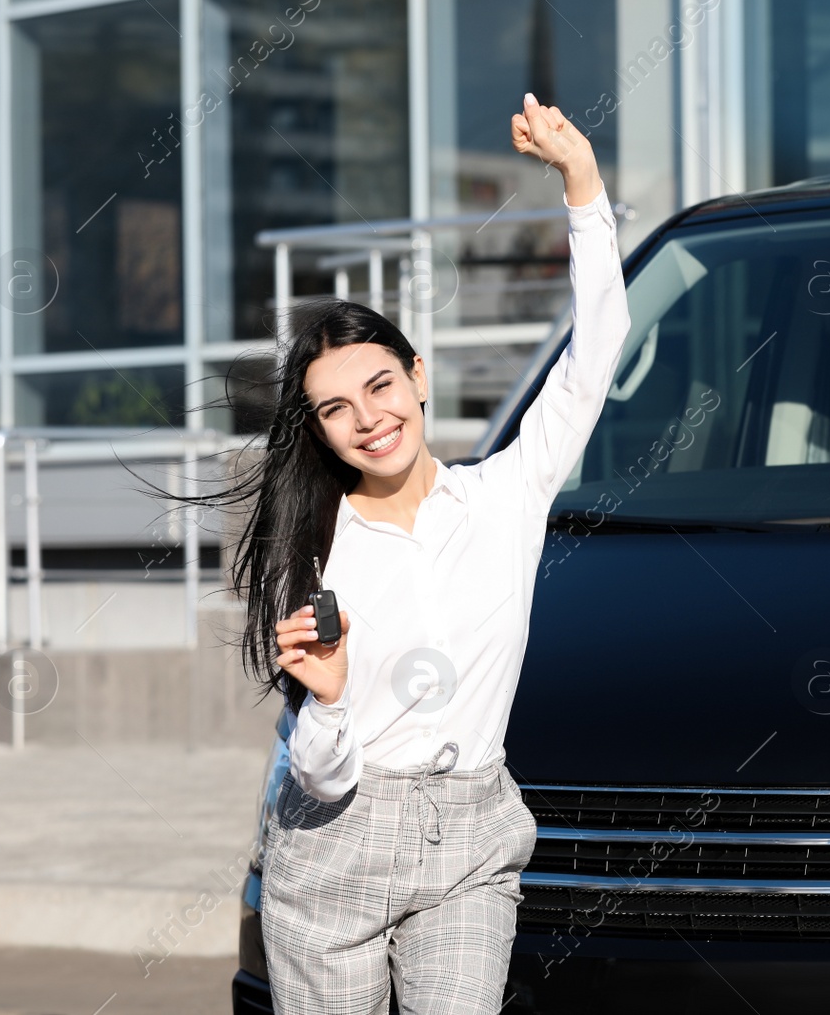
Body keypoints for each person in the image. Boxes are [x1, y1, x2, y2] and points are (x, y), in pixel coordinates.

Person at [239, 92, 628, 1013]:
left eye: (380, 384)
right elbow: (322, 773)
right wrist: (326, 705)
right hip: (336, 842)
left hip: (472, 836)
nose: (367, 417)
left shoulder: (505, 495)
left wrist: (581, 183)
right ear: (322, 431)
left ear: (419, 376)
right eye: (336, 407)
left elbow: (597, 350)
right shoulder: (317, 546)